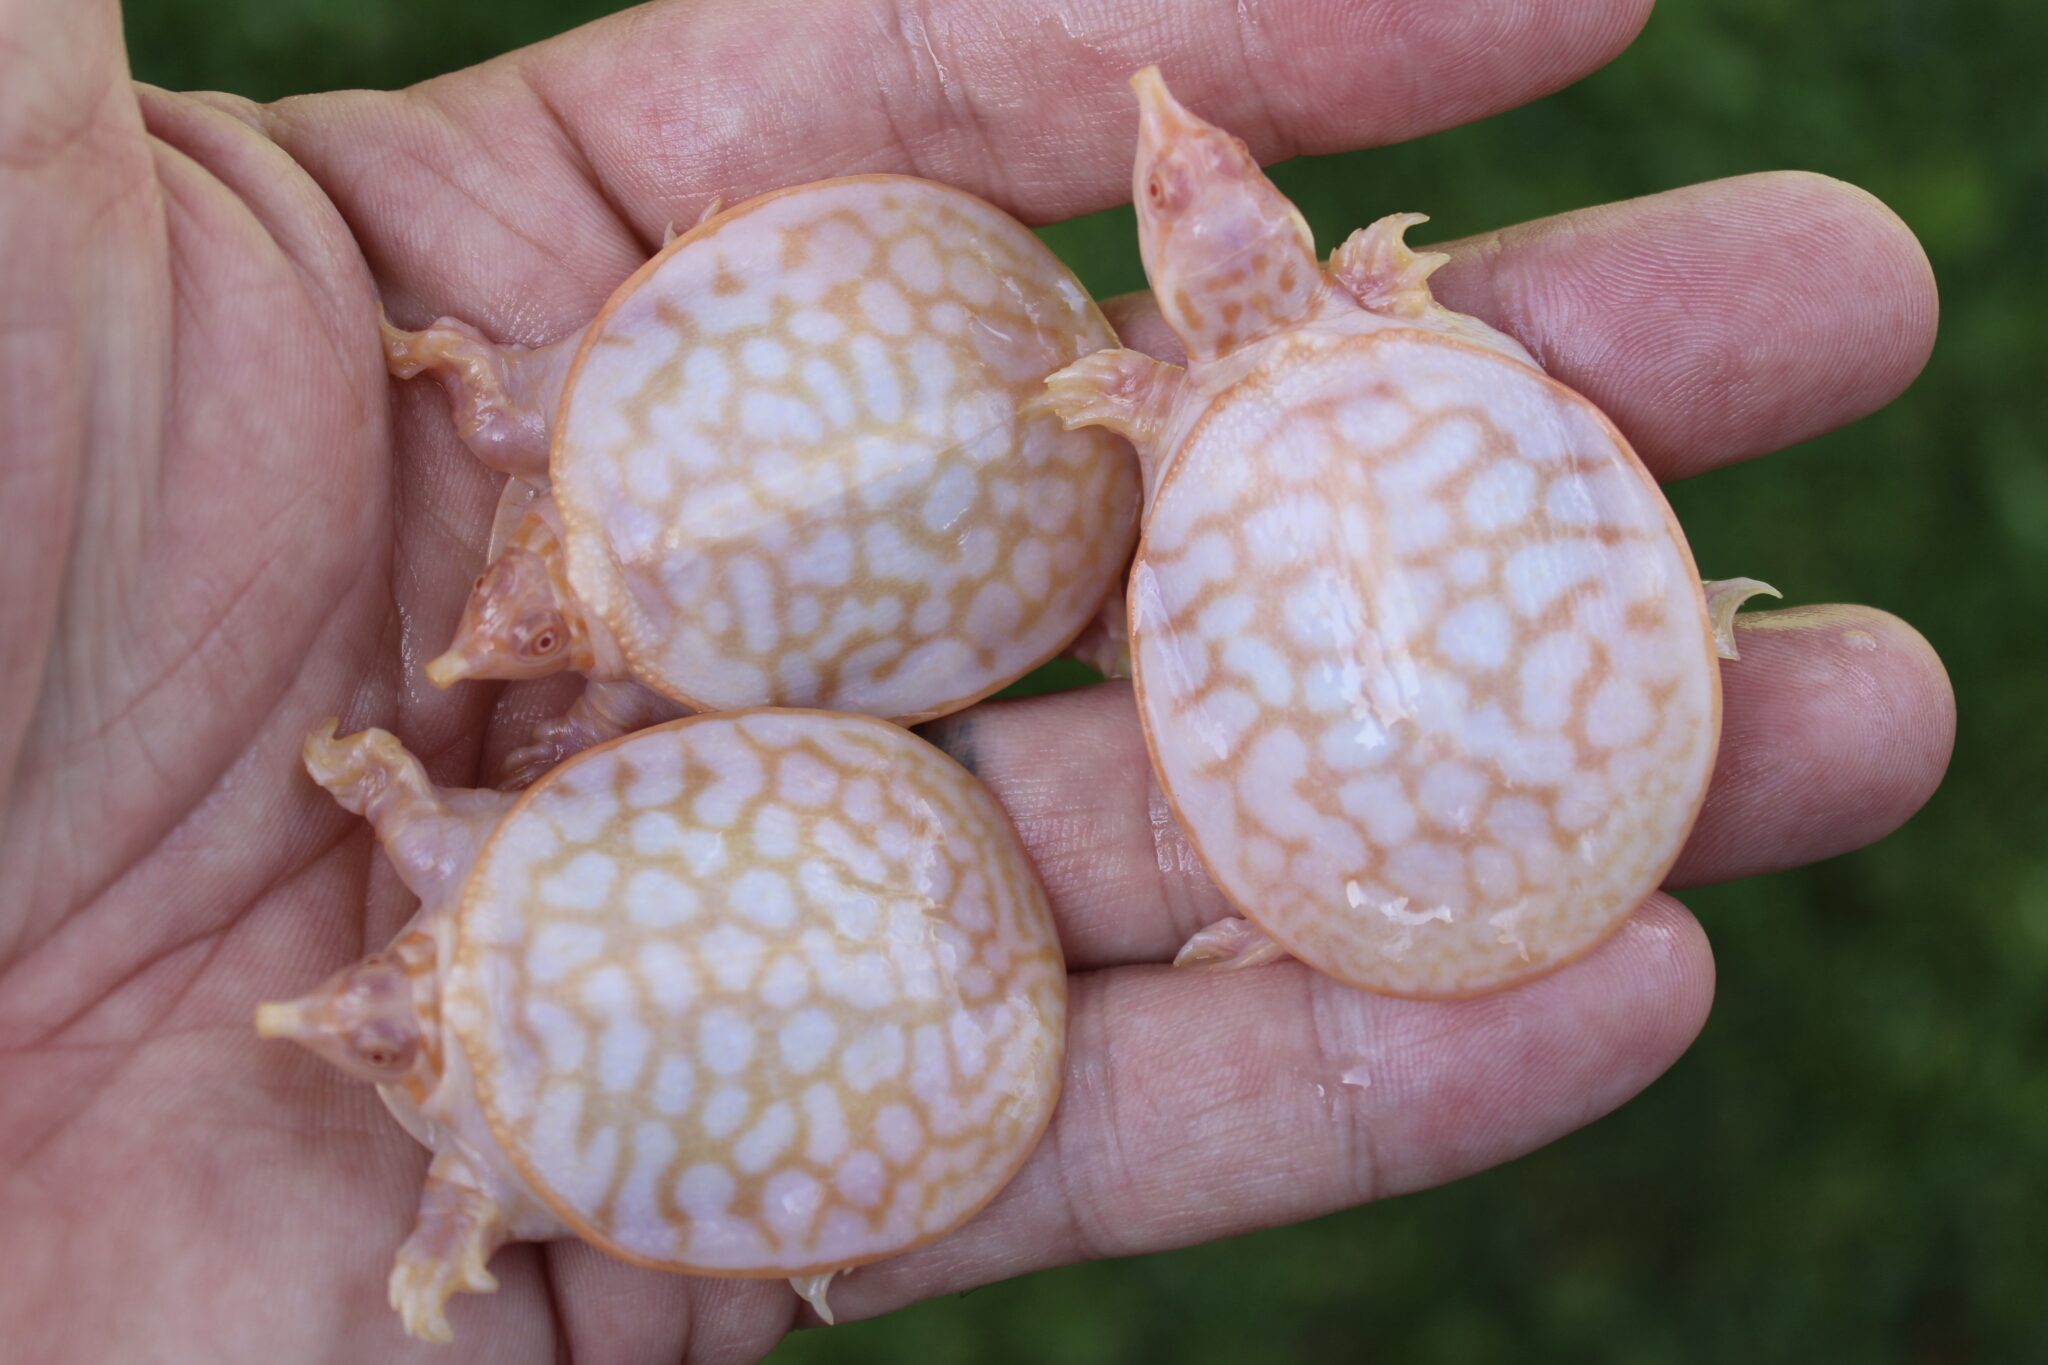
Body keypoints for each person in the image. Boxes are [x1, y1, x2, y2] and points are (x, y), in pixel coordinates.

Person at [0, 0, 1954, 1358]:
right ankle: (1410, 835)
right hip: (888, 688)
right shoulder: (492, 826)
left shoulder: (1155, 445)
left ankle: (1400, 847)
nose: (351, 1011)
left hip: (982, 613)